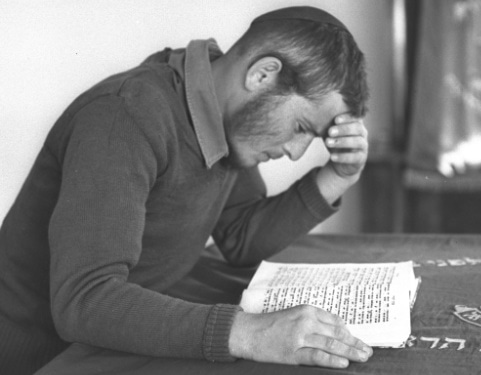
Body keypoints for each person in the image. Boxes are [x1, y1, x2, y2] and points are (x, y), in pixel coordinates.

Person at [0, 6, 372, 374]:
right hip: (39, 356)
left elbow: (240, 237)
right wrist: (249, 333)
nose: (295, 152)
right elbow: (86, 300)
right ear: (262, 75)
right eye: (302, 127)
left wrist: (337, 176)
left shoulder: (219, 117)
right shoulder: (124, 116)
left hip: (114, 337)